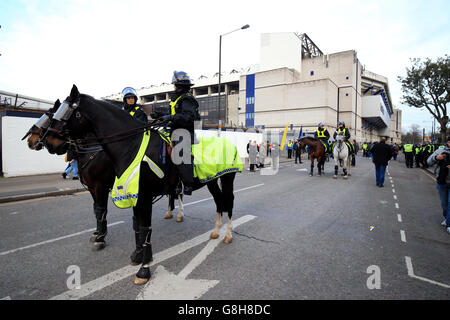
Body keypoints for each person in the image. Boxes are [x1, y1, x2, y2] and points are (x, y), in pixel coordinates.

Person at [156, 71, 200, 195]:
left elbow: (188, 117)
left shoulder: (188, 100)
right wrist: (160, 114)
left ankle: (188, 183)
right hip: (174, 130)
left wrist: (170, 117)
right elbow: (173, 113)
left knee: (181, 152)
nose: (174, 87)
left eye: (174, 85)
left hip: (185, 132)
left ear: (179, 86)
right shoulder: (178, 99)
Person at [427, 136, 450, 235]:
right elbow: (428, 161)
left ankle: (449, 224)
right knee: (444, 203)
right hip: (442, 181)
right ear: (448, 142)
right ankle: (447, 217)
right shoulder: (440, 150)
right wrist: (437, 157)